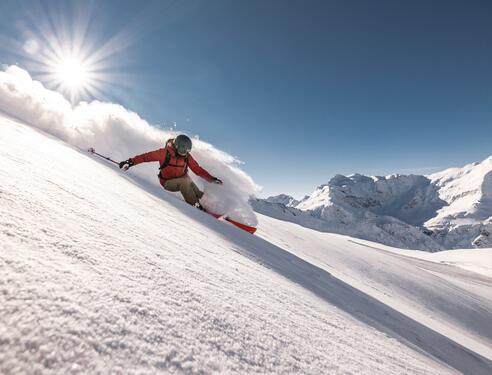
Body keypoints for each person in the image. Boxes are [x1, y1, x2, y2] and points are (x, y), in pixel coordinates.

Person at [119, 135, 222, 209]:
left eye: (186, 152)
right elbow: (145, 157)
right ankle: (195, 204)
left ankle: (207, 204)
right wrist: (130, 162)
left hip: (183, 180)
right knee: (185, 182)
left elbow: (197, 169)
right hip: (168, 182)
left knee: (192, 186)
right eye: (182, 151)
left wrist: (212, 179)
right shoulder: (164, 153)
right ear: (176, 147)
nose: (184, 154)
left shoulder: (186, 156)